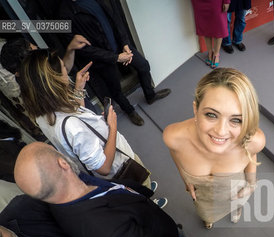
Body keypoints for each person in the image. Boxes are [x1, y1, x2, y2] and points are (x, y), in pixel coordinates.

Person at [17, 49, 165, 207]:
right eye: (64, 69)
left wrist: (79, 89)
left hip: (104, 169)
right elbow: (104, 167)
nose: (67, 72)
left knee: (135, 187)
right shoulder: (72, 126)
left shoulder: (42, 114)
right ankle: (150, 201)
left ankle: (144, 190)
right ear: (55, 81)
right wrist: (112, 126)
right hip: (119, 166)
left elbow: (75, 114)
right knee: (139, 189)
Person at [14, 142, 203, 237]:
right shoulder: (111, 236)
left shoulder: (68, 186)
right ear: (62, 164)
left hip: (144, 214)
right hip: (157, 236)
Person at [163, 68, 265, 229]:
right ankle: (209, 218)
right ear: (196, 109)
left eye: (236, 120)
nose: (221, 131)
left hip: (234, 189)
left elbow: (251, 156)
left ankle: (237, 209)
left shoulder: (255, 140)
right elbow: (175, 152)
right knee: (205, 213)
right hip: (203, 196)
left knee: (237, 201)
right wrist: (185, 180)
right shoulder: (173, 137)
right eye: (211, 115)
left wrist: (251, 185)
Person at [59, 0, 171, 126]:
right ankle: (130, 111)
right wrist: (116, 58)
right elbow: (83, 49)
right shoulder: (64, 13)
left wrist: (124, 43)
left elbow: (116, 19)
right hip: (101, 58)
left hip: (119, 46)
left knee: (144, 66)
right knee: (115, 89)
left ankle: (150, 96)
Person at [191, 0, 231, 68]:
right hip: (199, 2)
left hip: (216, 2)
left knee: (218, 27)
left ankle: (216, 54)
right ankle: (210, 52)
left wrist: (226, 1)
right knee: (205, 27)